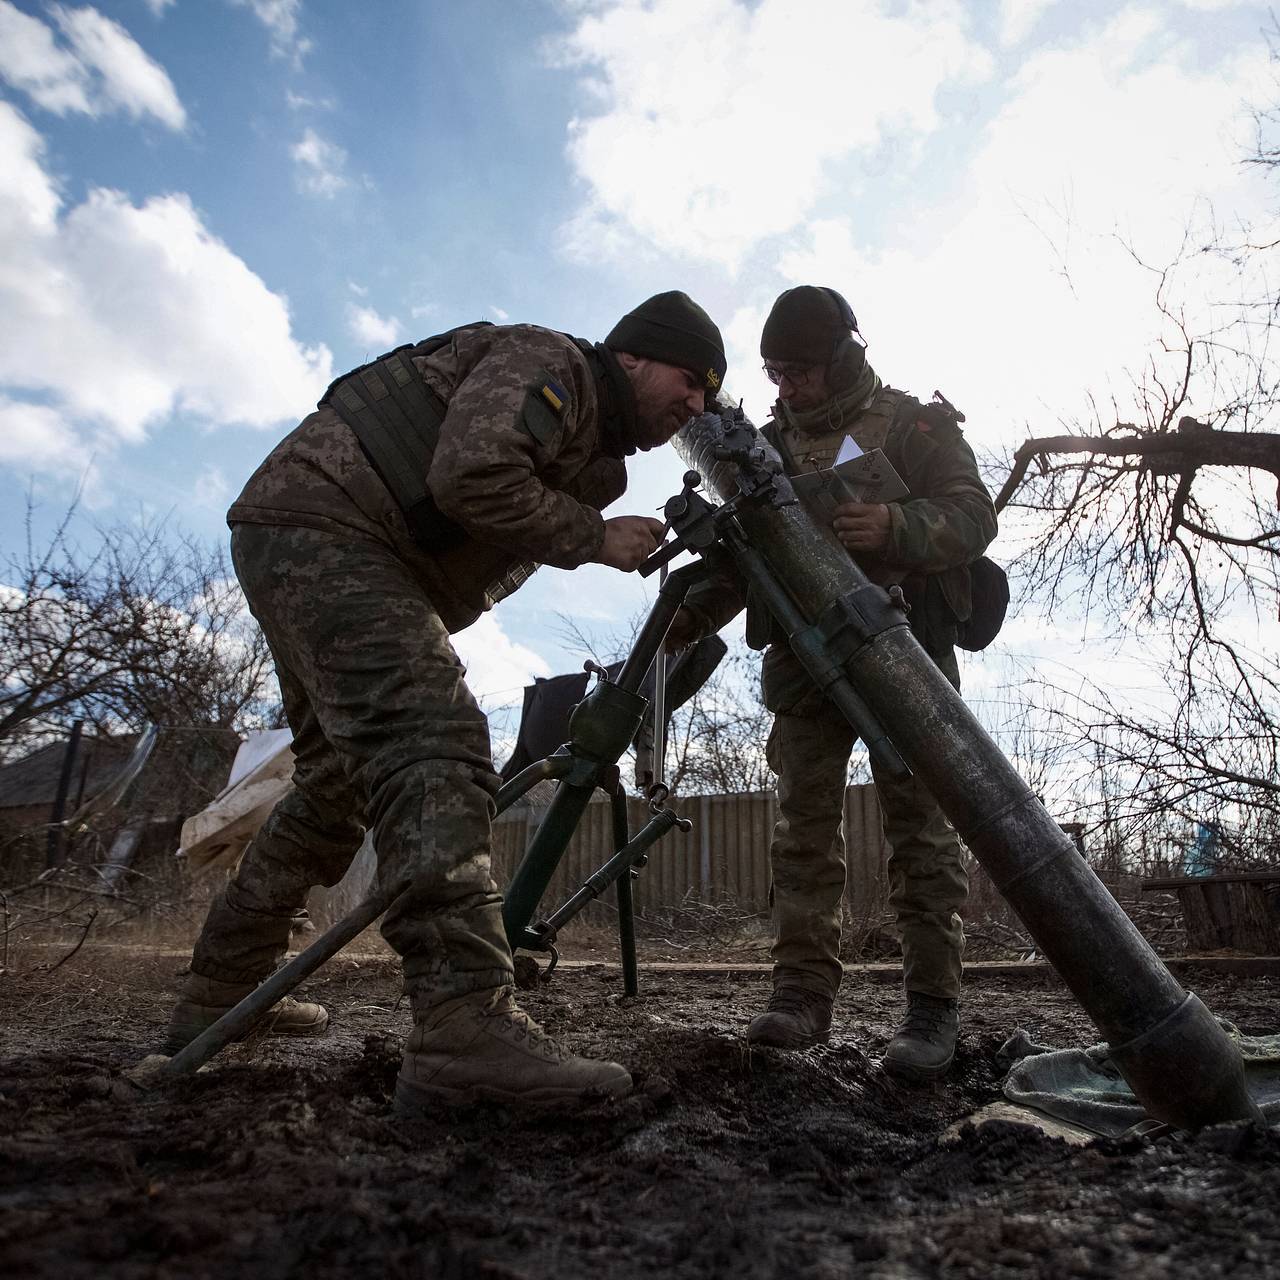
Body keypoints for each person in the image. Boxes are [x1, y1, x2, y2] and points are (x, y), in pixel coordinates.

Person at [165, 292, 727, 1109]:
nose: (696, 405)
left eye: (709, 395)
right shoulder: (553, 362)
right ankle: (461, 1027)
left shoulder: (586, 439)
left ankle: (220, 989)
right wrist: (594, 538)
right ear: (635, 356)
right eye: (690, 380)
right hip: (333, 528)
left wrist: (596, 526)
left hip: (309, 529)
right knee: (438, 743)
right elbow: (470, 475)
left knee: (335, 782)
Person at [668, 286, 996, 1080]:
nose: (786, 387)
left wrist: (896, 526)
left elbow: (974, 514)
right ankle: (801, 995)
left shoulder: (915, 424)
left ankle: (931, 1011)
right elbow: (741, 556)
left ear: (844, 356)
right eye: (774, 373)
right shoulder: (763, 445)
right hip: (804, 659)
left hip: (906, 648)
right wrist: (682, 615)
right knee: (802, 832)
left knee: (921, 831)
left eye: (800, 371)